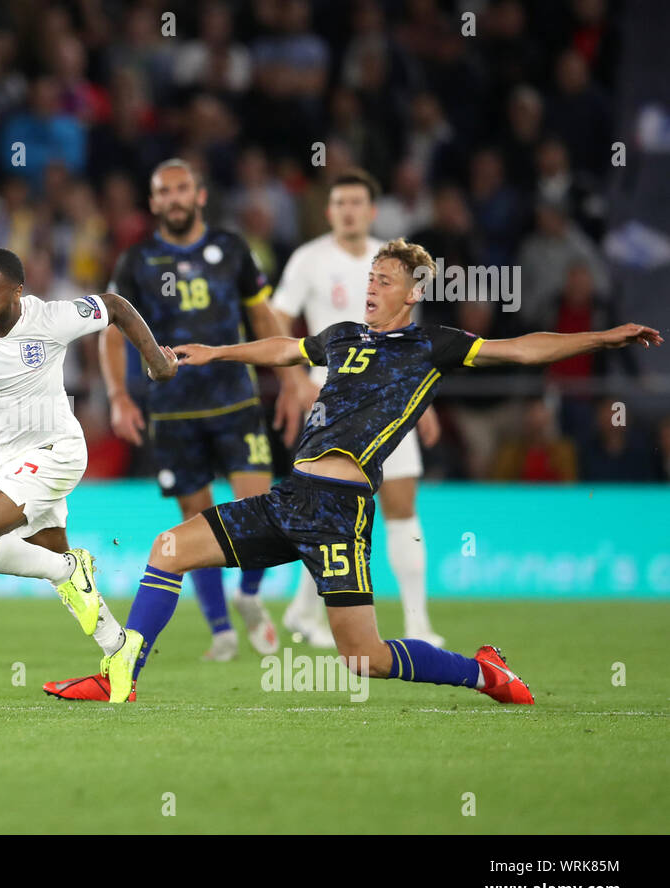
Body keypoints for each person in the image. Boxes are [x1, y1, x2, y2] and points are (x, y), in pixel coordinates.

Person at [47, 238, 660, 704]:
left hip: (341, 513)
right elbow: (284, 349)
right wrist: (218, 351)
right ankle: (120, 677)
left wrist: (603, 338)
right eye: (370, 276)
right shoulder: (342, 336)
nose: (372, 286)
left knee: (363, 659)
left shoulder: (432, 347)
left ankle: (483, 672)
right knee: (169, 546)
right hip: (291, 498)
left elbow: (522, 348)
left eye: (385, 279)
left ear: (412, 292)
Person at [0, 247, 177, 703]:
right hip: (10, 461)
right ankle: (118, 656)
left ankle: (70, 567)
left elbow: (117, 307)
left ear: (18, 293)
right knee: (57, 571)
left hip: (58, 451)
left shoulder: (51, 318)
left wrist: (156, 361)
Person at [99, 158, 311, 663]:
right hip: (171, 412)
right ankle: (221, 631)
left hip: (235, 400)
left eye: (181, 189)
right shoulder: (136, 261)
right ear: (153, 202)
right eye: (162, 191)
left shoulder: (232, 250)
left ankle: (250, 594)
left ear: (199, 196)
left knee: (259, 506)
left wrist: (291, 375)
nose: (173, 198)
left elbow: (262, 313)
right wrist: (117, 396)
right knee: (195, 524)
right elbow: (112, 332)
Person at [273, 168, 444, 647]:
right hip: (332, 398)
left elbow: (414, 336)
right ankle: (304, 611)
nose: (347, 210)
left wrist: (422, 398)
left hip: (391, 396)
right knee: (327, 504)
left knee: (402, 505)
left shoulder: (391, 259)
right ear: (329, 211)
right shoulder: (308, 259)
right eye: (339, 202)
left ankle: (416, 624)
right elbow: (278, 318)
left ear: (372, 210)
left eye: (356, 203)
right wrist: (293, 381)